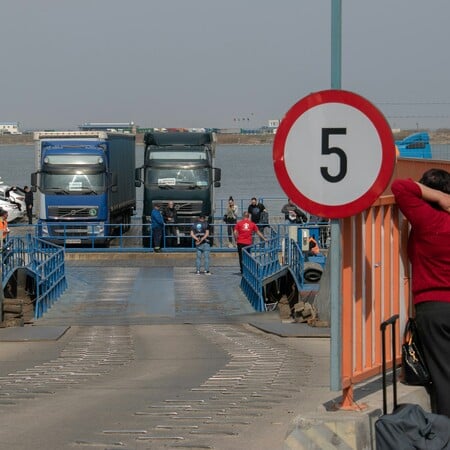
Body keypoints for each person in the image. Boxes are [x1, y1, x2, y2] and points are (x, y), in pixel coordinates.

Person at [391, 169, 450, 418]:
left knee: (444, 376)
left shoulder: (428, 219)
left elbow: (400, 187)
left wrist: (435, 197)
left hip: (434, 307)